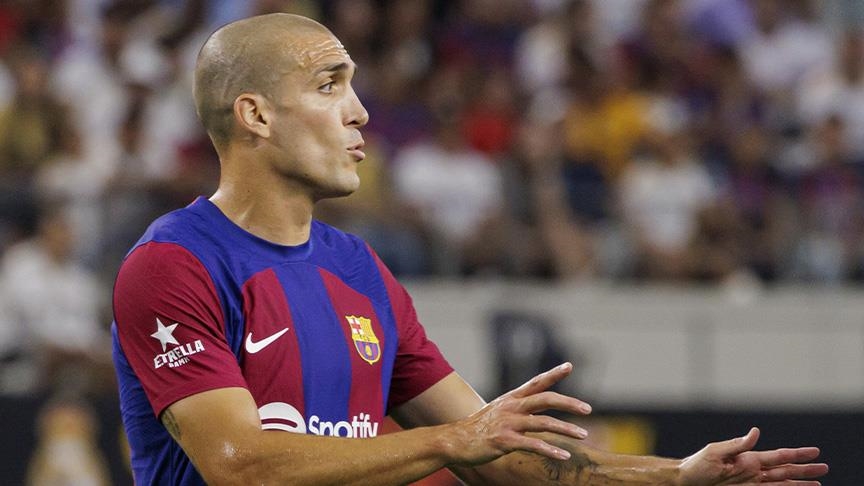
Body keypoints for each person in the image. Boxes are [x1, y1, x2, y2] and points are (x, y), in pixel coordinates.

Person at [111, 13, 828, 485]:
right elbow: (240, 465)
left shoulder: (358, 271)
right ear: (255, 115)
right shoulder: (174, 265)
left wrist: (678, 475)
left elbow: (502, 459)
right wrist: (450, 441)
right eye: (329, 86)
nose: (360, 111)